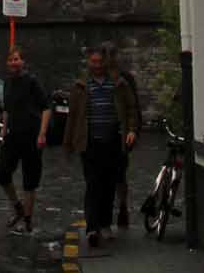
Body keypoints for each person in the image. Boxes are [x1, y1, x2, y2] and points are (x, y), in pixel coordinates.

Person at [63, 42, 138, 254]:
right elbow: (73, 117)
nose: (96, 65)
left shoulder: (118, 84)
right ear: (88, 62)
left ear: (105, 61)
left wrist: (131, 129)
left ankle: (104, 224)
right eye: (93, 61)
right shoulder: (81, 86)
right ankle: (92, 228)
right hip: (90, 143)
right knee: (93, 184)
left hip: (113, 141)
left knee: (108, 185)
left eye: (99, 61)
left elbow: (131, 108)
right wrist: (68, 144)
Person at [0, 44, 50, 235]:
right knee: (2, 173)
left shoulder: (32, 81)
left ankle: (27, 221)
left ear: (23, 61)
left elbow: (46, 107)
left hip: (32, 135)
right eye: (11, 59)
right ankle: (17, 207)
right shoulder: (7, 83)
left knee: (30, 180)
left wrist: (42, 134)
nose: (13, 62)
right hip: (13, 135)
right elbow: (7, 109)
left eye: (17, 59)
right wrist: (3, 132)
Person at [113, 50, 143, 228]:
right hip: (102, 135)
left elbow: (133, 107)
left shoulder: (125, 80)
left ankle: (122, 205)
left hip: (120, 135)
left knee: (119, 174)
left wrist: (133, 130)